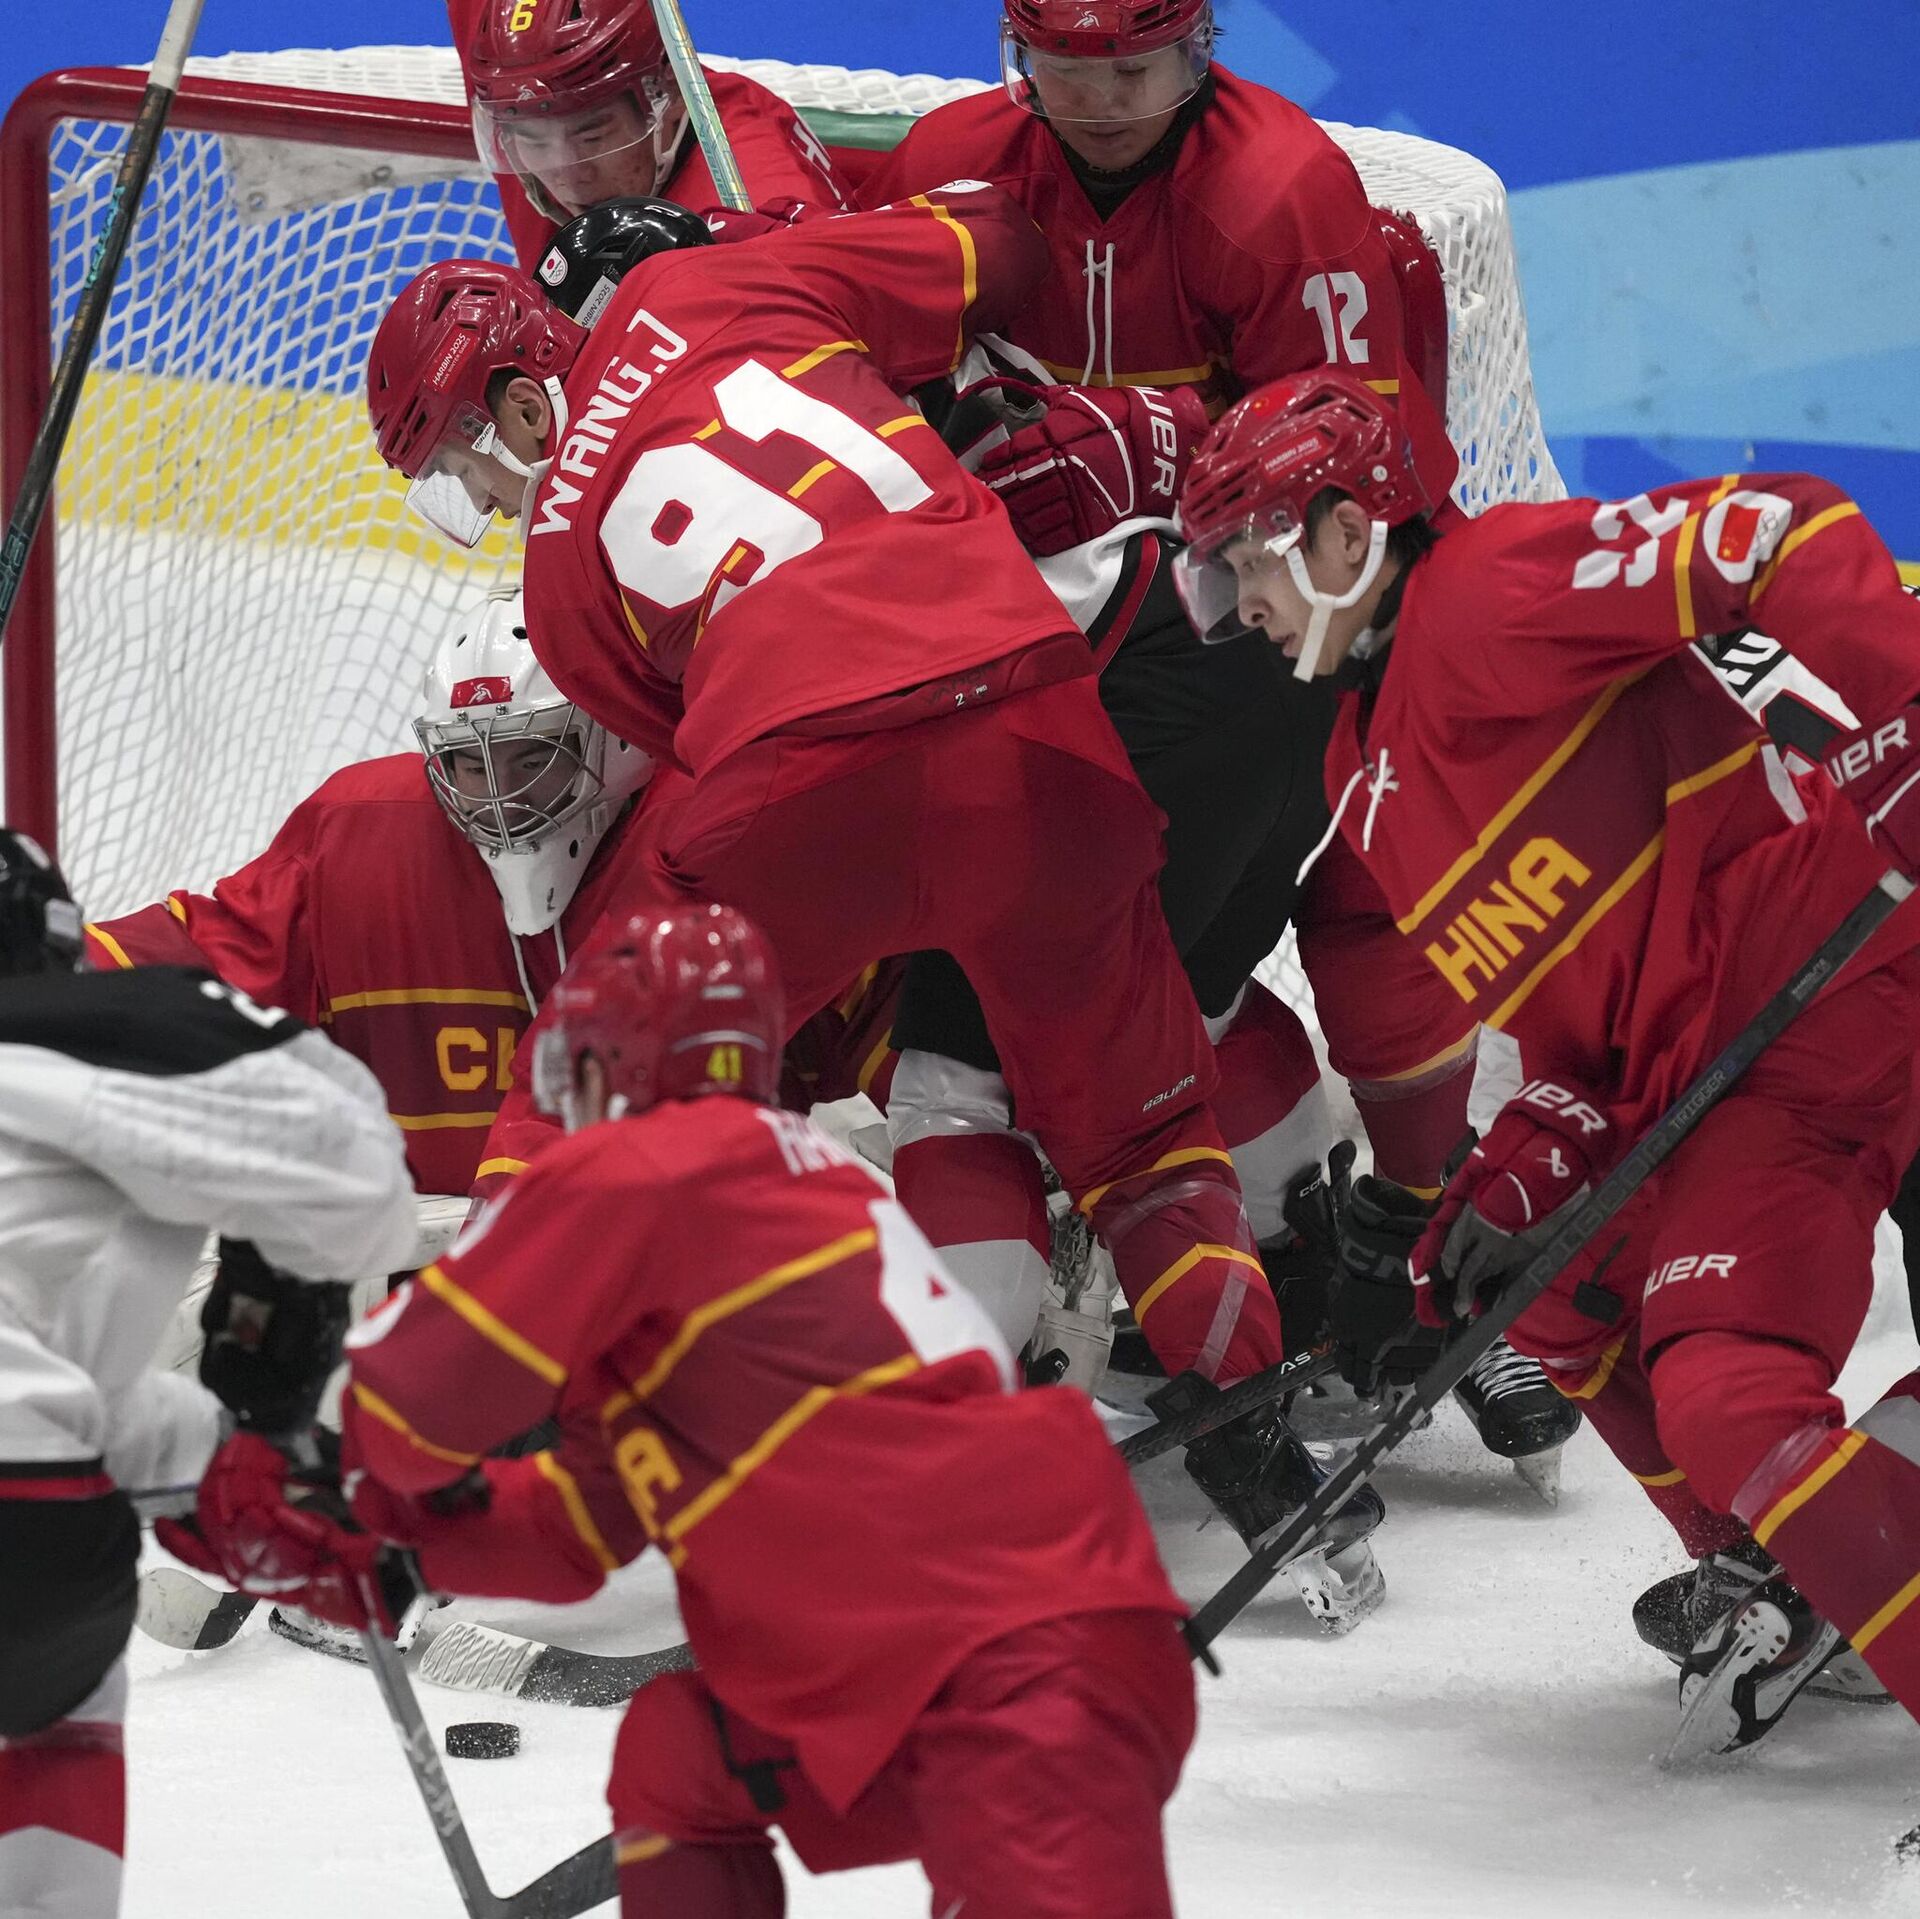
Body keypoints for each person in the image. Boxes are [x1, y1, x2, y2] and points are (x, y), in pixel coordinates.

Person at [361, 187, 1389, 1575]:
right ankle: (1255, 1423)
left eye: (467, 467)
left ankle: (465, 1401)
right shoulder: (715, 288)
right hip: (1041, 713)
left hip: (805, 768)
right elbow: (996, 245)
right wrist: (803, 264)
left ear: (523, 405)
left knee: (589, 1071)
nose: (488, 503)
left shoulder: (553, 580)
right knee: (1140, 1130)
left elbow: (691, 748)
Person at [162, 905, 1199, 1919]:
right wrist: (409, 1553)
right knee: (686, 1757)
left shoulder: (650, 1165)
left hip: (1012, 1664)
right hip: (1036, 1644)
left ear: (616, 1059)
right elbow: (579, 1526)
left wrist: (273, 1437)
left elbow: (410, 1398)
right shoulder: (801, 1198)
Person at [1177, 366, 1920, 1752]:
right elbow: (1575, 1012)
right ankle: (1788, 1564)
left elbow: (1782, 526)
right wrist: (1523, 1161)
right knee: (1543, 1284)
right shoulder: (1359, 775)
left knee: (1728, 1392)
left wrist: (1902, 719)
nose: (1237, 606)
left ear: (1348, 532)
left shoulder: (1487, 590)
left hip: (1820, 988)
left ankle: (1833, 1542)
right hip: (1701, 1063)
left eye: (1247, 561)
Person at [0, 830, 415, 1918]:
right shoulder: (128, 1026)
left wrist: (208, 1461)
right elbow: (362, 1182)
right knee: (55, 1705)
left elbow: (44, 1373)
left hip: (30, 1488)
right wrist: (268, 1364)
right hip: (29, 1552)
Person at [82, 589, 654, 1199]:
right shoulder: (363, 834)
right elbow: (216, 956)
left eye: (534, 759)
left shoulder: (687, 844)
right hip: (433, 1252)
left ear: (611, 739)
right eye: (470, 763)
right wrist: (44, 963)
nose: (500, 798)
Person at [448, 0, 845, 268]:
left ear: (669, 94)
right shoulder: (519, 90)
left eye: (592, 137)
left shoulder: (752, 233)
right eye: (532, 139)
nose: (567, 174)